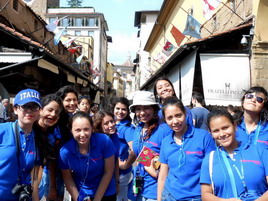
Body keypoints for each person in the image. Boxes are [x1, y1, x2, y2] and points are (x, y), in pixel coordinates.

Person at [200, 108, 268, 201]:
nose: (222, 134)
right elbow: (205, 194)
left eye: (225, 128)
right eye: (216, 131)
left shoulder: (260, 151)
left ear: (235, 126)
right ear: (211, 133)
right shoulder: (209, 159)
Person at [157, 96, 215, 201]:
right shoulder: (166, 142)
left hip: (197, 197)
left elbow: (212, 170)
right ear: (165, 120)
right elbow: (162, 175)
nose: (175, 121)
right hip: (169, 196)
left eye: (178, 115)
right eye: (169, 118)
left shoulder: (204, 137)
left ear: (185, 113)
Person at [58, 111, 116, 201]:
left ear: (92, 129)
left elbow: (108, 172)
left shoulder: (104, 141)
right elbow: (68, 178)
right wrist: (79, 199)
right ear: (71, 131)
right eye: (77, 130)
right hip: (81, 193)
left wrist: (97, 199)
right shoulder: (65, 152)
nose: (82, 134)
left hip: (106, 191)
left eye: (86, 129)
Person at [130, 91, 173, 201]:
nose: (142, 112)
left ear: (154, 109)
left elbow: (170, 159)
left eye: (146, 108)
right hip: (140, 188)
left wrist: (149, 167)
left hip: (156, 191)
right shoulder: (138, 129)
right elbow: (138, 153)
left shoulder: (164, 130)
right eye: (138, 109)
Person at [0, 89, 42, 201]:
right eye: (25, 106)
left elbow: (34, 178)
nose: (29, 111)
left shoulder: (39, 139)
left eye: (34, 106)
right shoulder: (2, 131)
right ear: (15, 109)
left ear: (39, 111)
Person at [34, 94, 63, 201]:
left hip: (47, 177)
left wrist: (53, 187)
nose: (53, 114)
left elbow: (52, 162)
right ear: (40, 110)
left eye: (56, 112)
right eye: (50, 110)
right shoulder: (30, 129)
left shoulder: (55, 133)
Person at [112, 97, 136, 201]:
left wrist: (126, 164)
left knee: (119, 198)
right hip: (108, 171)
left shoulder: (127, 128)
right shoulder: (110, 123)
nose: (120, 112)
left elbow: (136, 149)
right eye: (117, 108)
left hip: (121, 174)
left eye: (123, 109)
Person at [92, 110, 120, 196]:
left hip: (110, 186)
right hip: (94, 186)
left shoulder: (115, 136)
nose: (111, 125)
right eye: (106, 123)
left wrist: (117, 182)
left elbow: (115, 161)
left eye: (112, 121)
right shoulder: (94, 141)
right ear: (99, 127)